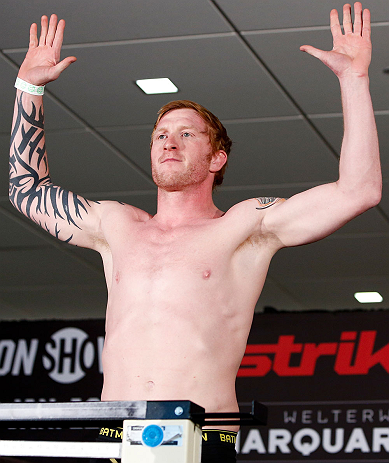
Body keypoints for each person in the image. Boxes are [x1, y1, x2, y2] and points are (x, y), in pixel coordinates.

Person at [9, 3, 381, 462]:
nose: (169, 140)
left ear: (217, 158)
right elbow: (25, 189)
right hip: (114, 438)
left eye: (187, 134)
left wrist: (354, 80)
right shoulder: (115, 225)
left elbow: (358, 190)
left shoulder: (245, 227)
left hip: (200, 435)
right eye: (161, 134)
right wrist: (28, 87)